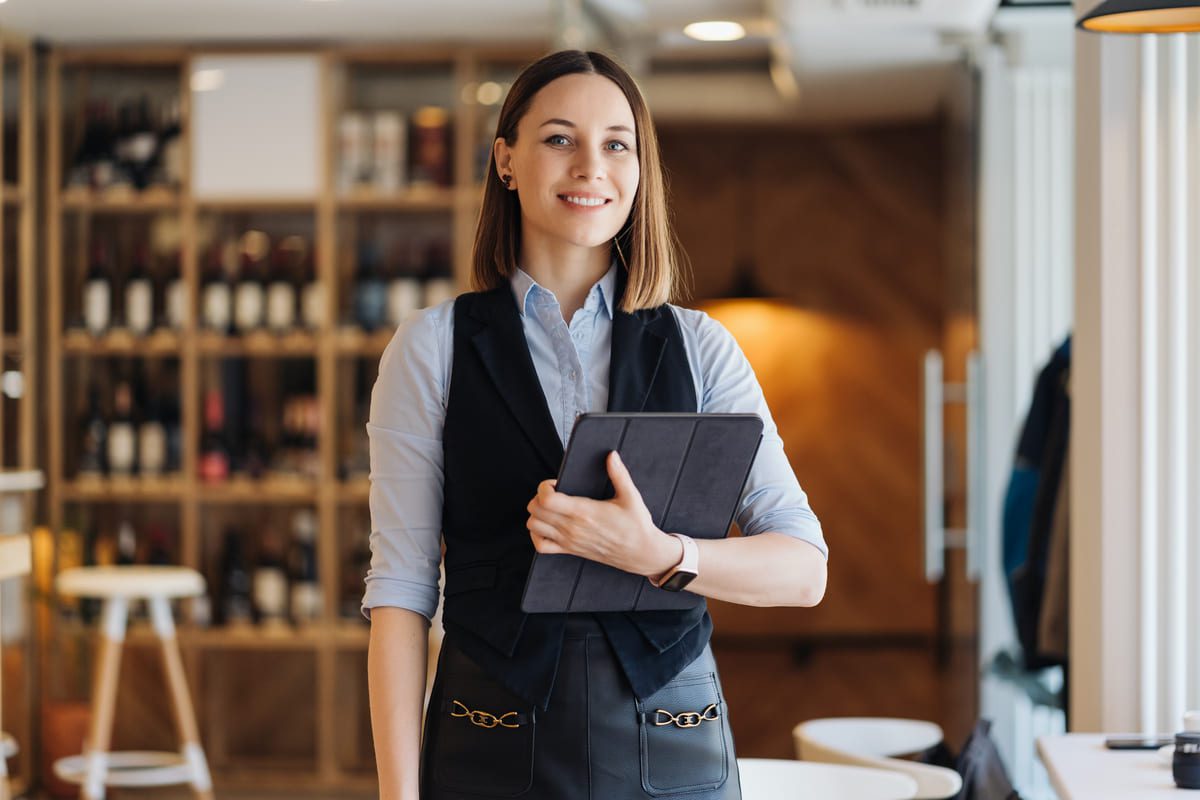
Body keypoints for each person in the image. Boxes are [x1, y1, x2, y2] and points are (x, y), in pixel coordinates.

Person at [364, 49, 828, 800]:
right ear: (505, 160)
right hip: (487, 740)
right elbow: (401, 594)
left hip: (671, 741)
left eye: (617, 143)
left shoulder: (702, 347)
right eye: (559, 138)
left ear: (640, 171)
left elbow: (804, 570)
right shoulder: (432, 347)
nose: (591, 165)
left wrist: (660, 553)